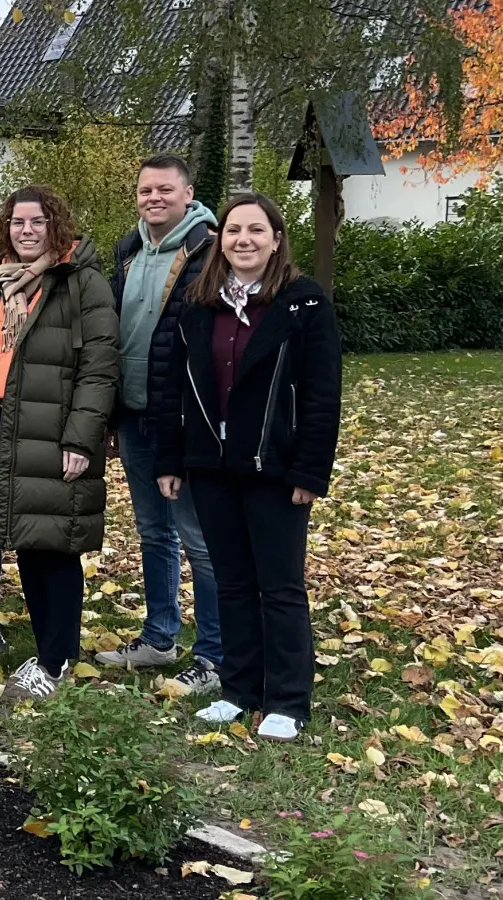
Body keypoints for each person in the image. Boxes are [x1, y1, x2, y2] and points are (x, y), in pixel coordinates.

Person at [154, 193, 341, 742]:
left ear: (276, 239)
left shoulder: (303, 305)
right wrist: (170, 457)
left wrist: (310, 471)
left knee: (279, 585)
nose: (243, 240)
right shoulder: (197, 305)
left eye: (256, 230)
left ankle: (287, 698)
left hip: (276, 468)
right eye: (234, 230)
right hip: (212, 465)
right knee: (231, 582)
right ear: (220, 239)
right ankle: (239, 690)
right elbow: (172, 388)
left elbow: (321, 394)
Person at [0, 185, 119, 702]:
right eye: (18, 222)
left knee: (53, 546)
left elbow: (100, 366)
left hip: (53, 428)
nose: (26, 230)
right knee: (25, 540)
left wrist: (82, 439)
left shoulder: (81, 283)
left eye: (38, 222)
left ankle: (56, 659)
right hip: (0, 423)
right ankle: (49, 651)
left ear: (56, 225)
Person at [95, 153, 224, 698]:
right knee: (154, 532)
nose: (154, 199)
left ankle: (217, 653)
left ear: (188, 193)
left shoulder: (208, 250)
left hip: (184, 417)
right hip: (132, 411)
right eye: (146, 190)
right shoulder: (129, 250)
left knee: (199, 537)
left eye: (164, 190)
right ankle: (159, 636)